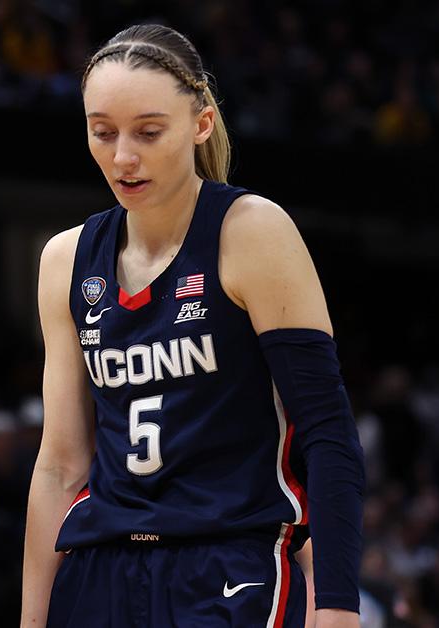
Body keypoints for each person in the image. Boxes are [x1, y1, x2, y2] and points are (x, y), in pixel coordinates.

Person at [22, 24, 365, 627]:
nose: (123, 156)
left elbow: (329, 431)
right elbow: (59, 464)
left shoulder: (252, 231)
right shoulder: (64, 260)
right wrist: (31, 619)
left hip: (229, 566)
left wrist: (337, 605)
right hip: (98, 569)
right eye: (102, 132)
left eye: (148, 132)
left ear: (201, 123)